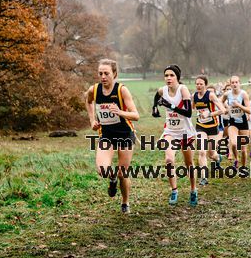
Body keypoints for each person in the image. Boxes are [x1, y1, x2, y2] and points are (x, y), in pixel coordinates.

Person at [85, 59, 139, 214]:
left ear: (114, 74)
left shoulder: (122, 90)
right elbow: (88, 102)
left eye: (106, 73)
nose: (103, 76)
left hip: (125, 134)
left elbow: (136, 115)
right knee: (102, 169)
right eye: (100, 73)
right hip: (107, 135)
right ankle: (112, 178)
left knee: (123, 173)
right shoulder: (94, 90)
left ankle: (125, 202)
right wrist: (92, 120)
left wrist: (120, 112)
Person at [152, 65, 198, 206]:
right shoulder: (163, 90)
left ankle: (193, 189)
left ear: (177, 77)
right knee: (169, 160)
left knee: (188, 163)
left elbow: (188, 113)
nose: (168, 78)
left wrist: (169, 106)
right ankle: (174, 190)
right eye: (166, 75)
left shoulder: (182, 90)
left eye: (171, 75)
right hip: (170, 132)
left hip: (185, 132)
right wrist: (154, 108)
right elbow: (157, 95)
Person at [192, 76, 226, 186]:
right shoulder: (194, 96)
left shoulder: (210, 95)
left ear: (205, 85)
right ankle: (204, 177)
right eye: (197, 84)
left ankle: (218, 158)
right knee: (202, 151)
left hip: (212, 127)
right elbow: (191, 109)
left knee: (211, 154)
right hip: (200, 126)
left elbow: (223, 110)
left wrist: (209, 114)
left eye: (201, 84)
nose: (198, 86)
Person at [224, 76, 251, 167]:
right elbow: (219, 101)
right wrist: (225, 108)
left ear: (239, 83)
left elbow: (249, 110)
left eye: (236, 82)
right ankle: (236, 159)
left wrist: (238, 105)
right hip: (233, 122)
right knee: (234, 144)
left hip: (243, 123)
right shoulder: (227, 94)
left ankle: (243, 167)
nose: (234, 84)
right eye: (233, 82)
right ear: (230, 84)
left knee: (243, 150)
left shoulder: (244, 94)